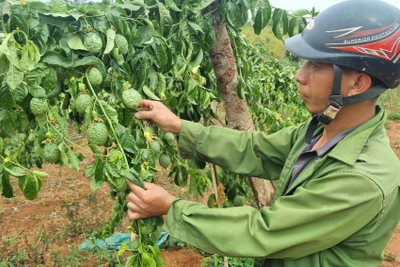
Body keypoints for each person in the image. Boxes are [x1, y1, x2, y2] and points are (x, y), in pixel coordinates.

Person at [126, 0, 400, 266]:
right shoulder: (321, 129)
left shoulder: (362, 180)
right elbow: (255, 149)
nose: (299, 75)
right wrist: (179, 126)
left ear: (357, 84)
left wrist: (171, 207)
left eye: (315, 65)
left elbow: (263, 232)